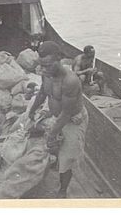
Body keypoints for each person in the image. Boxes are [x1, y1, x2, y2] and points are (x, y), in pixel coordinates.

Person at [28, 41, 89, 198]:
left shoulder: (70, 81)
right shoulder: (46, 73)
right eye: (42, 65)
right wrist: (33, 110)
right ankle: (55, 156)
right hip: (56, 115)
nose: (45, 69)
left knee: (67, 158)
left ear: (59, 59)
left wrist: (52, 134)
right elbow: (42, 92)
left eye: (48, 65)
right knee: (48, 142)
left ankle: (63, 190)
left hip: (71, 119)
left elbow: (67, 113)